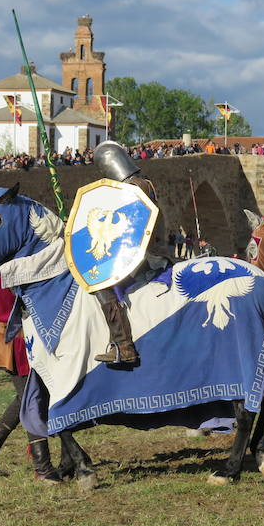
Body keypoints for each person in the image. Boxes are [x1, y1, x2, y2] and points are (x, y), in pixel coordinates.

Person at [0, 278, 62, 483]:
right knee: (32, 400)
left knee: (27, 397)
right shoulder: (10, 273)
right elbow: (7, 315)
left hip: (24, 340)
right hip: (19, 342)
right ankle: (43, 468)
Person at [90, 141, 165, 364]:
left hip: (141, 257)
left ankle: (124, 347)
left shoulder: (133, 188)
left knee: (101, 285)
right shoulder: (143, 183)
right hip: (144, 251)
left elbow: (130, 229)